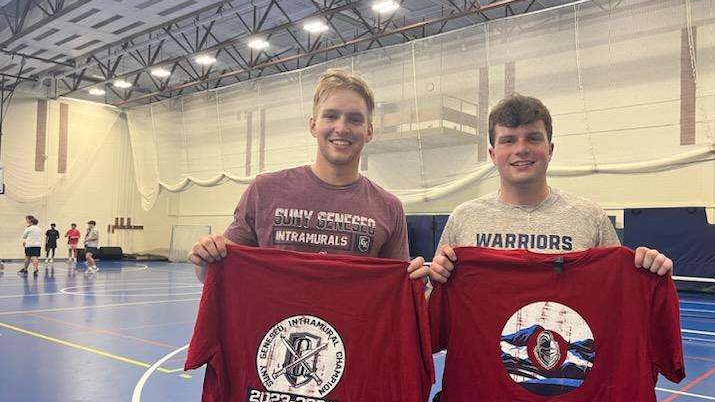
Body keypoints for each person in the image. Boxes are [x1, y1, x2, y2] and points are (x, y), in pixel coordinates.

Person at [188, 68, 427, 281]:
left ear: (369, 131)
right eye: (331, 116)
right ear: (313, 125)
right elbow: (216, 271)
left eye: (354, 119)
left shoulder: (388, 207)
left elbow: (395, 289)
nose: (342, 128)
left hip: (351, 332)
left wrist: (417, 282)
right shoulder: (265, 191)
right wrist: (205, 256)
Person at [429, 93, 672, 283]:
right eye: (508, 140)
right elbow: (434, 303)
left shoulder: (589, 217)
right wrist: (438, 278)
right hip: (480, 348)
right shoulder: (464, 218)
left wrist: (649, 273)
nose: (521, 148)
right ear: (493, 154)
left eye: (533, 138)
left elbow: (619, 294)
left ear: (550, 149)